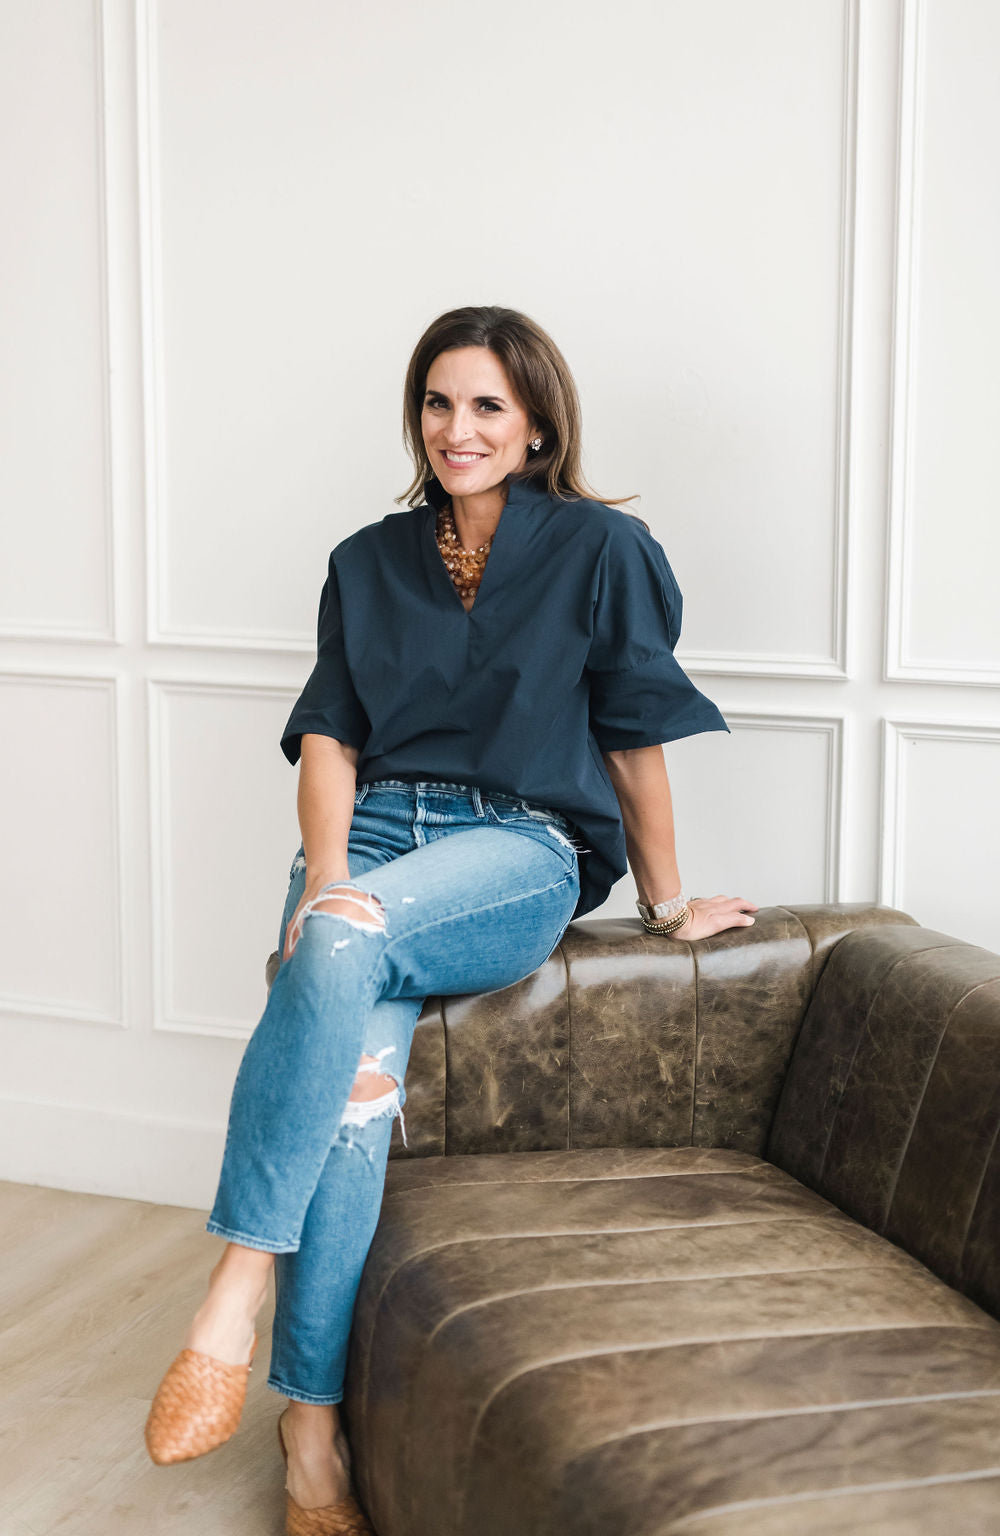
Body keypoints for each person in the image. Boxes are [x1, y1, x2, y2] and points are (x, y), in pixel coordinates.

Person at [143, 305, 758, 1533]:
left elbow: (632, 732)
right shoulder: (366, 559)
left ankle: (233, 1286)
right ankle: (311, 1433)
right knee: (354, 1105)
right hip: (369, 836)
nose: (456, 428)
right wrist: (326, 876)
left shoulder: (600, 549)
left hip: (515, 847)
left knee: (349, 934)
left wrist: (667, 899)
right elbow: (329, 737)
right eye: (436, 402)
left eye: (485, 405)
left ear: (535, 422)